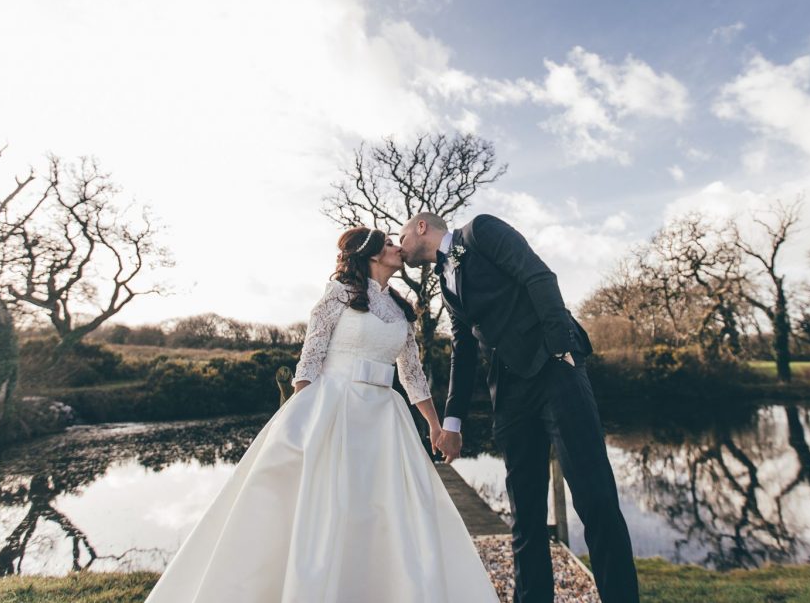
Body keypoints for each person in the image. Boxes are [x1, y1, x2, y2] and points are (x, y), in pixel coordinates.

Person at [144, 226, 498, 603]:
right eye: (391, 244)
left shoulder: (400, 309)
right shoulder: (336, 296)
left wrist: (433, 425)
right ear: (374, 254)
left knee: (386, 511)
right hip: (335, 406)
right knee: (327, 506)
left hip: (385, 420)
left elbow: (411, 374)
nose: (399, 249)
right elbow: (310, 358)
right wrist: (301, 412)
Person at [400, 212, 640, 603]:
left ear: (422, 227)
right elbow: (463, 350)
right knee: (524, 513)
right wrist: (453, 422)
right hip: (510, 394)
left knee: (595, 500)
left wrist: (561, 348)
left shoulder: (480, 231)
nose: (400, 243)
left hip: (554, 372)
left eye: (402, 234)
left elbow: (538, 277)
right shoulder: (445, 282)